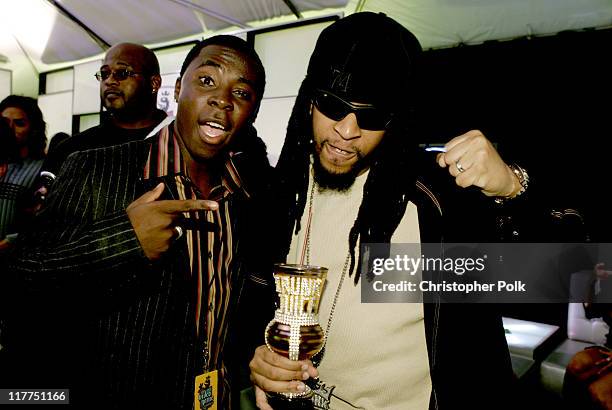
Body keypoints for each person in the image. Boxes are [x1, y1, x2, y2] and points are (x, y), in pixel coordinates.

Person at [246, 12, 525, 410]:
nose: (346, 130)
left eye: (371, 115)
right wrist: (258, 361)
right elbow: (247, 315)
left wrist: (513, 189)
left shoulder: (430, 204)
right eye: (332, 105)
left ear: (396, 120)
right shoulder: (280, 196)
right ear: (309, 99)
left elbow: (571, 274)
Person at [5, 35, 270, 409]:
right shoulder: (96, 167)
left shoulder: (247, 195)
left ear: (253, 111)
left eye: (240, 93)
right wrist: (123, 241)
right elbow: (20, 278)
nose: (221, 100)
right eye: (207, 81)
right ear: (178, 89)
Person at [36, 42, 171, 198]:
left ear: (154, 83)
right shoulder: (73, 149)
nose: (109, 81)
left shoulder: (178, 142)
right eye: (104, 74)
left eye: (122, 73)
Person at [0, 95, 46, 253]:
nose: (10, 128)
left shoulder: (43, 169)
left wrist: (10, 241)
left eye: (19, 123)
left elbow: (43, 222)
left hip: (15, 261)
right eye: (4, 123)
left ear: (33, 129)